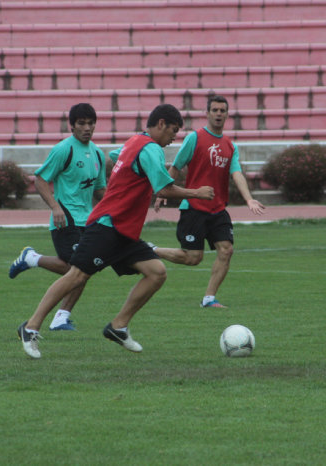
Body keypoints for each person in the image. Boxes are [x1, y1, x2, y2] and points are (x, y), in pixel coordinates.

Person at [17, 103, 214, 358]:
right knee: (76, 276)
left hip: (124, 231)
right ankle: (30, 327)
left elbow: (115, 155)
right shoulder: (150, 148)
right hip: (107, 225)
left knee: (156, 272)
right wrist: (195, 192)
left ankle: (118, 326)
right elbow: (163, 189)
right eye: (173, 131)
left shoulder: (134, 142)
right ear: (161, 124)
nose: (174, 137)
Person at [152, 94, 265, 308]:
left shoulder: (230, 146)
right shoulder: (195, 138)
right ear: (207, 113)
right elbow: (176, 167)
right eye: (215, 110)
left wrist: (249, 199)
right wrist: (162, 192)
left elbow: (237, 173)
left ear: (227, 114)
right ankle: (152, 249)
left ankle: (209, 298)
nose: (219, 114)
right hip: (194, 207)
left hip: (217, 208)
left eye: (223, 110)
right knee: (193, 258)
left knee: (226, 249)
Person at [9, 103, 106, 331]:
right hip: (66, 219)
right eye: (81, 123)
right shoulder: (64, 149)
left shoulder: (98, 155)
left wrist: (117, 207)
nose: (87, 128)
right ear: (71, 126)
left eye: (91, 123)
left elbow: (100, 190)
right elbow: (40, 180)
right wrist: (55, 207)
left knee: (85, 269)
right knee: (78, 269)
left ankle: (61, 317)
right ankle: (32, 258)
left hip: (88, 220)